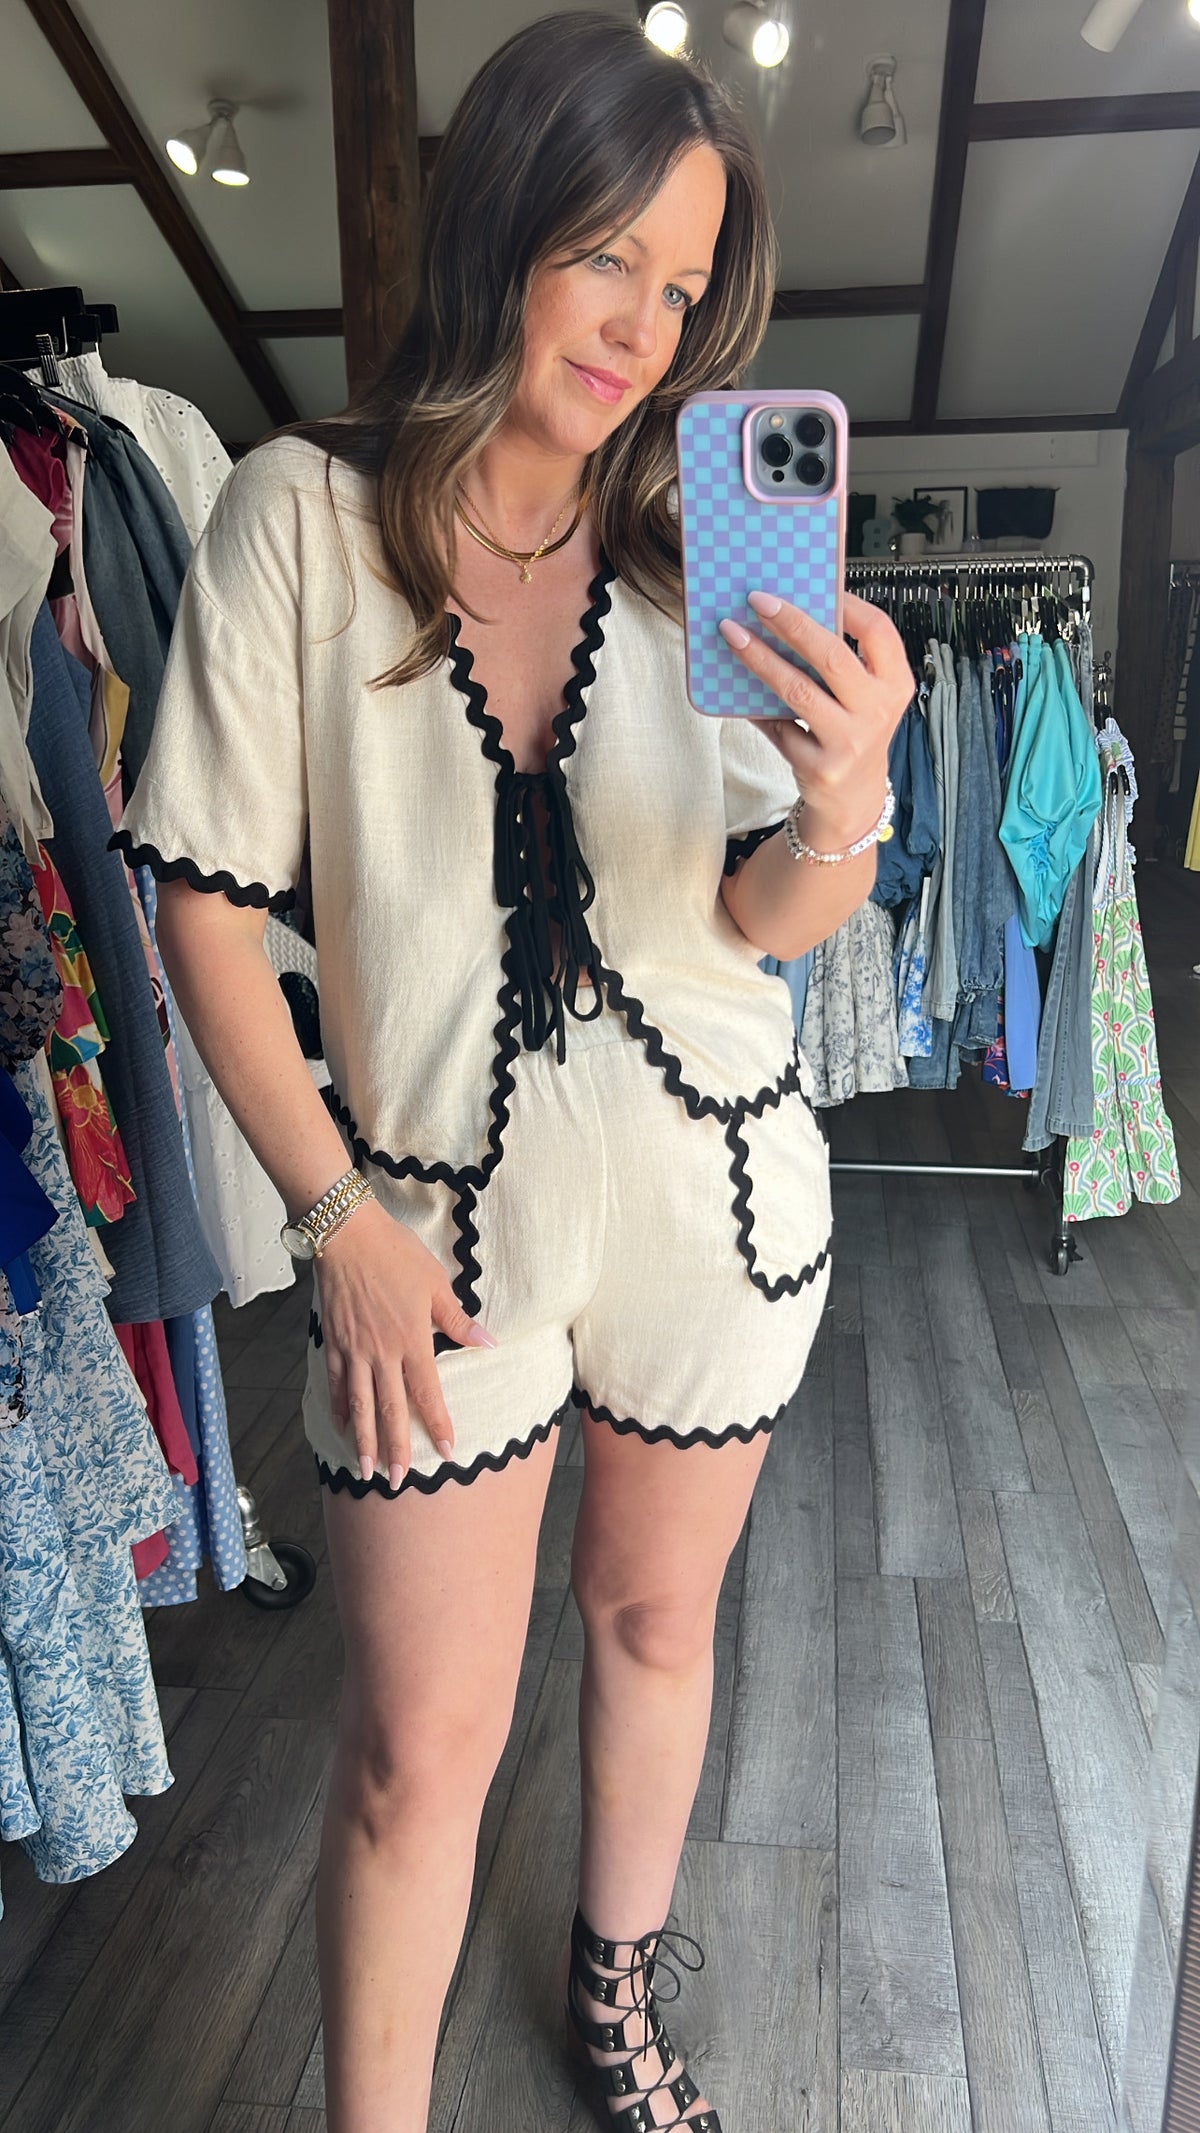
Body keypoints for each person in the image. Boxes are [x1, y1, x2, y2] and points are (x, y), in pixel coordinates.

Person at [115, 14, 910, 2130]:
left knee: (655, 1626)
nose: (645, 326)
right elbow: (204, 907)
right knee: (412, 1753)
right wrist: (329, 1216)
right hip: (428, 1243)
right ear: (504, 225)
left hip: (716, 1202)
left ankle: (616, 2001)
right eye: (609, 257)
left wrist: (845, 804)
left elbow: (763, 920)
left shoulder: (699, 550)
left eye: (685, 285)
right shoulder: (301, 515)